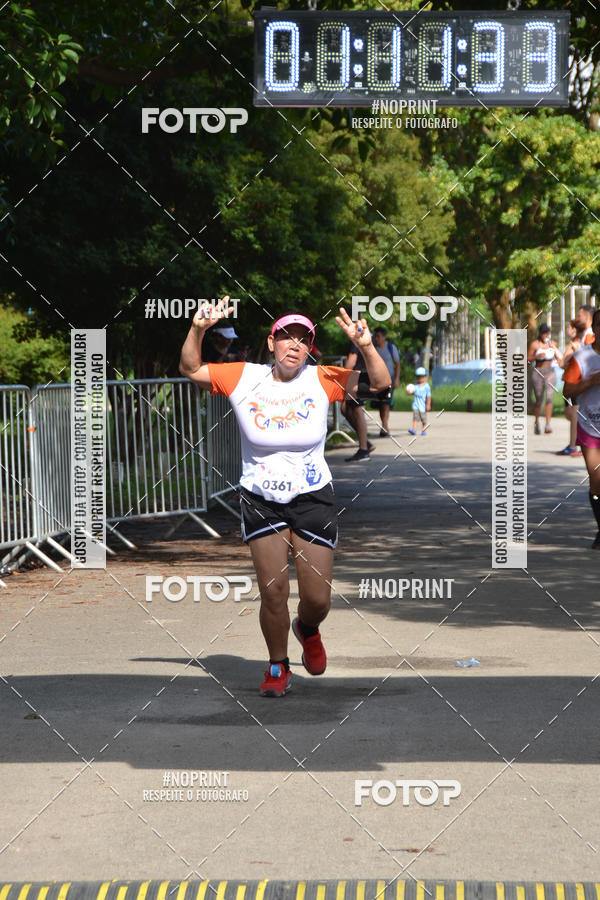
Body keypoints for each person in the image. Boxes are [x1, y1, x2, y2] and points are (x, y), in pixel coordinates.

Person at [179, 300, 391, 695]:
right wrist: (198, 329)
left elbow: (379, 385)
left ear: (310, 347)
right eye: (286, 337)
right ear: (271, 342)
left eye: (303, 339)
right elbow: (190, 369)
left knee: (317, 599)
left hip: (313, 498)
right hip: (261, 498)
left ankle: (307, 629)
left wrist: (366, 346)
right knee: (273, 591)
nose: (294, 345)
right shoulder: (244, 377)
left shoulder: (322, 379)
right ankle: (278, 666)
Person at [562, 308, 600, 549]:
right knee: (597, 481)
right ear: (594, 328)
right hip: (591, 426)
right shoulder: (583, 357)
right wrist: (590, 382)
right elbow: (567, 392)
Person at [340, 342, 375, 462]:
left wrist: (342, 376)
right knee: (345, 408)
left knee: (357, 408)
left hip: (357, 376)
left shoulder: (356, 335)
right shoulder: (365, 333)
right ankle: (365, 442)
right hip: (363, 375)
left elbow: (352, 360)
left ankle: (364, 450)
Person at [556, 319, 585, 457]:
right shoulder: (587, 344)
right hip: (580, 383)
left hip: (573, 383)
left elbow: (562, 363)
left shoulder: (573, 345)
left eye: (568, 327)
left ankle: (574, 445)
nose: (566, 329)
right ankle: (575, 444)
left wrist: (555, 351)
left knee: (573, 415)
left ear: (574, 330)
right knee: (573, 414)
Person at [527, 323, 562, 434]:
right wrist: (536, 356)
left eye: (547, 332)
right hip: (538, 371)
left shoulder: (552, 344)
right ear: (540, 333)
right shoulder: (535, 344)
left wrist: (556, 354)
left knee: (549, 398)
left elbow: (559, 357)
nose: (545, 334)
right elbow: (527, 359)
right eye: (543, 332)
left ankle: (548, 424)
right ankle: (537, 422)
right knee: (539, 399)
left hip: (550, 372)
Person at [370, 326, 400, 437]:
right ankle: (383, 424)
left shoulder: (391, 348)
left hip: (389, 380)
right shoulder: (373, 348)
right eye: (375, 336)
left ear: (384, 337)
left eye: (378, 336)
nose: (376, 339)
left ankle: (385, 426)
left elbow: (397, 364)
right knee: (379, 403)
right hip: (377, 381)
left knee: (386, 403)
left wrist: (397, 379)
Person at [408, 366, 431, 435]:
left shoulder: (427, 386)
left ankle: (424, 430)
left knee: (423, 419)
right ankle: (414, 430)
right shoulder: (415, 385)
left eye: (421, 376)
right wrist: (409, 392)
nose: (420, 378)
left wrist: (428, 405)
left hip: (423, 406)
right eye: (418, 376)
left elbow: (428, 397)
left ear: (425, 376)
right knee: (415, 418)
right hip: (416, 405)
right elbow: (412, 392)